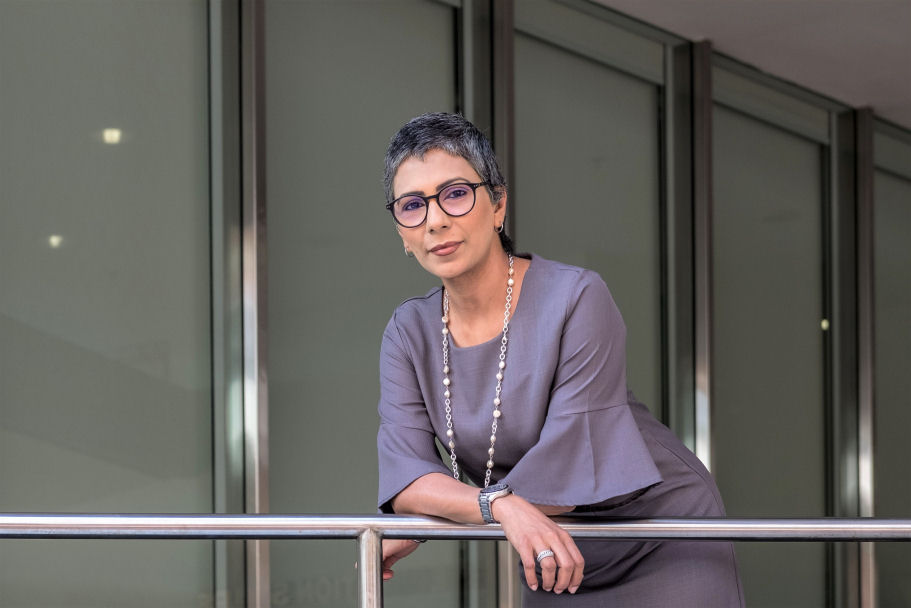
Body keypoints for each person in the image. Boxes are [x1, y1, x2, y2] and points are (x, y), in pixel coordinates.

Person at [376, 112, 744, 607]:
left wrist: (447, 516)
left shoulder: (576, 297)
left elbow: (570, 473)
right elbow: (409, 481)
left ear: (498, 204)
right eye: (412, 205)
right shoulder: (408, 331)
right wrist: (494, 509)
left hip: (659, 534)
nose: (435, 219)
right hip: (548, 547)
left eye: (456, 194)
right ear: (401, 231)